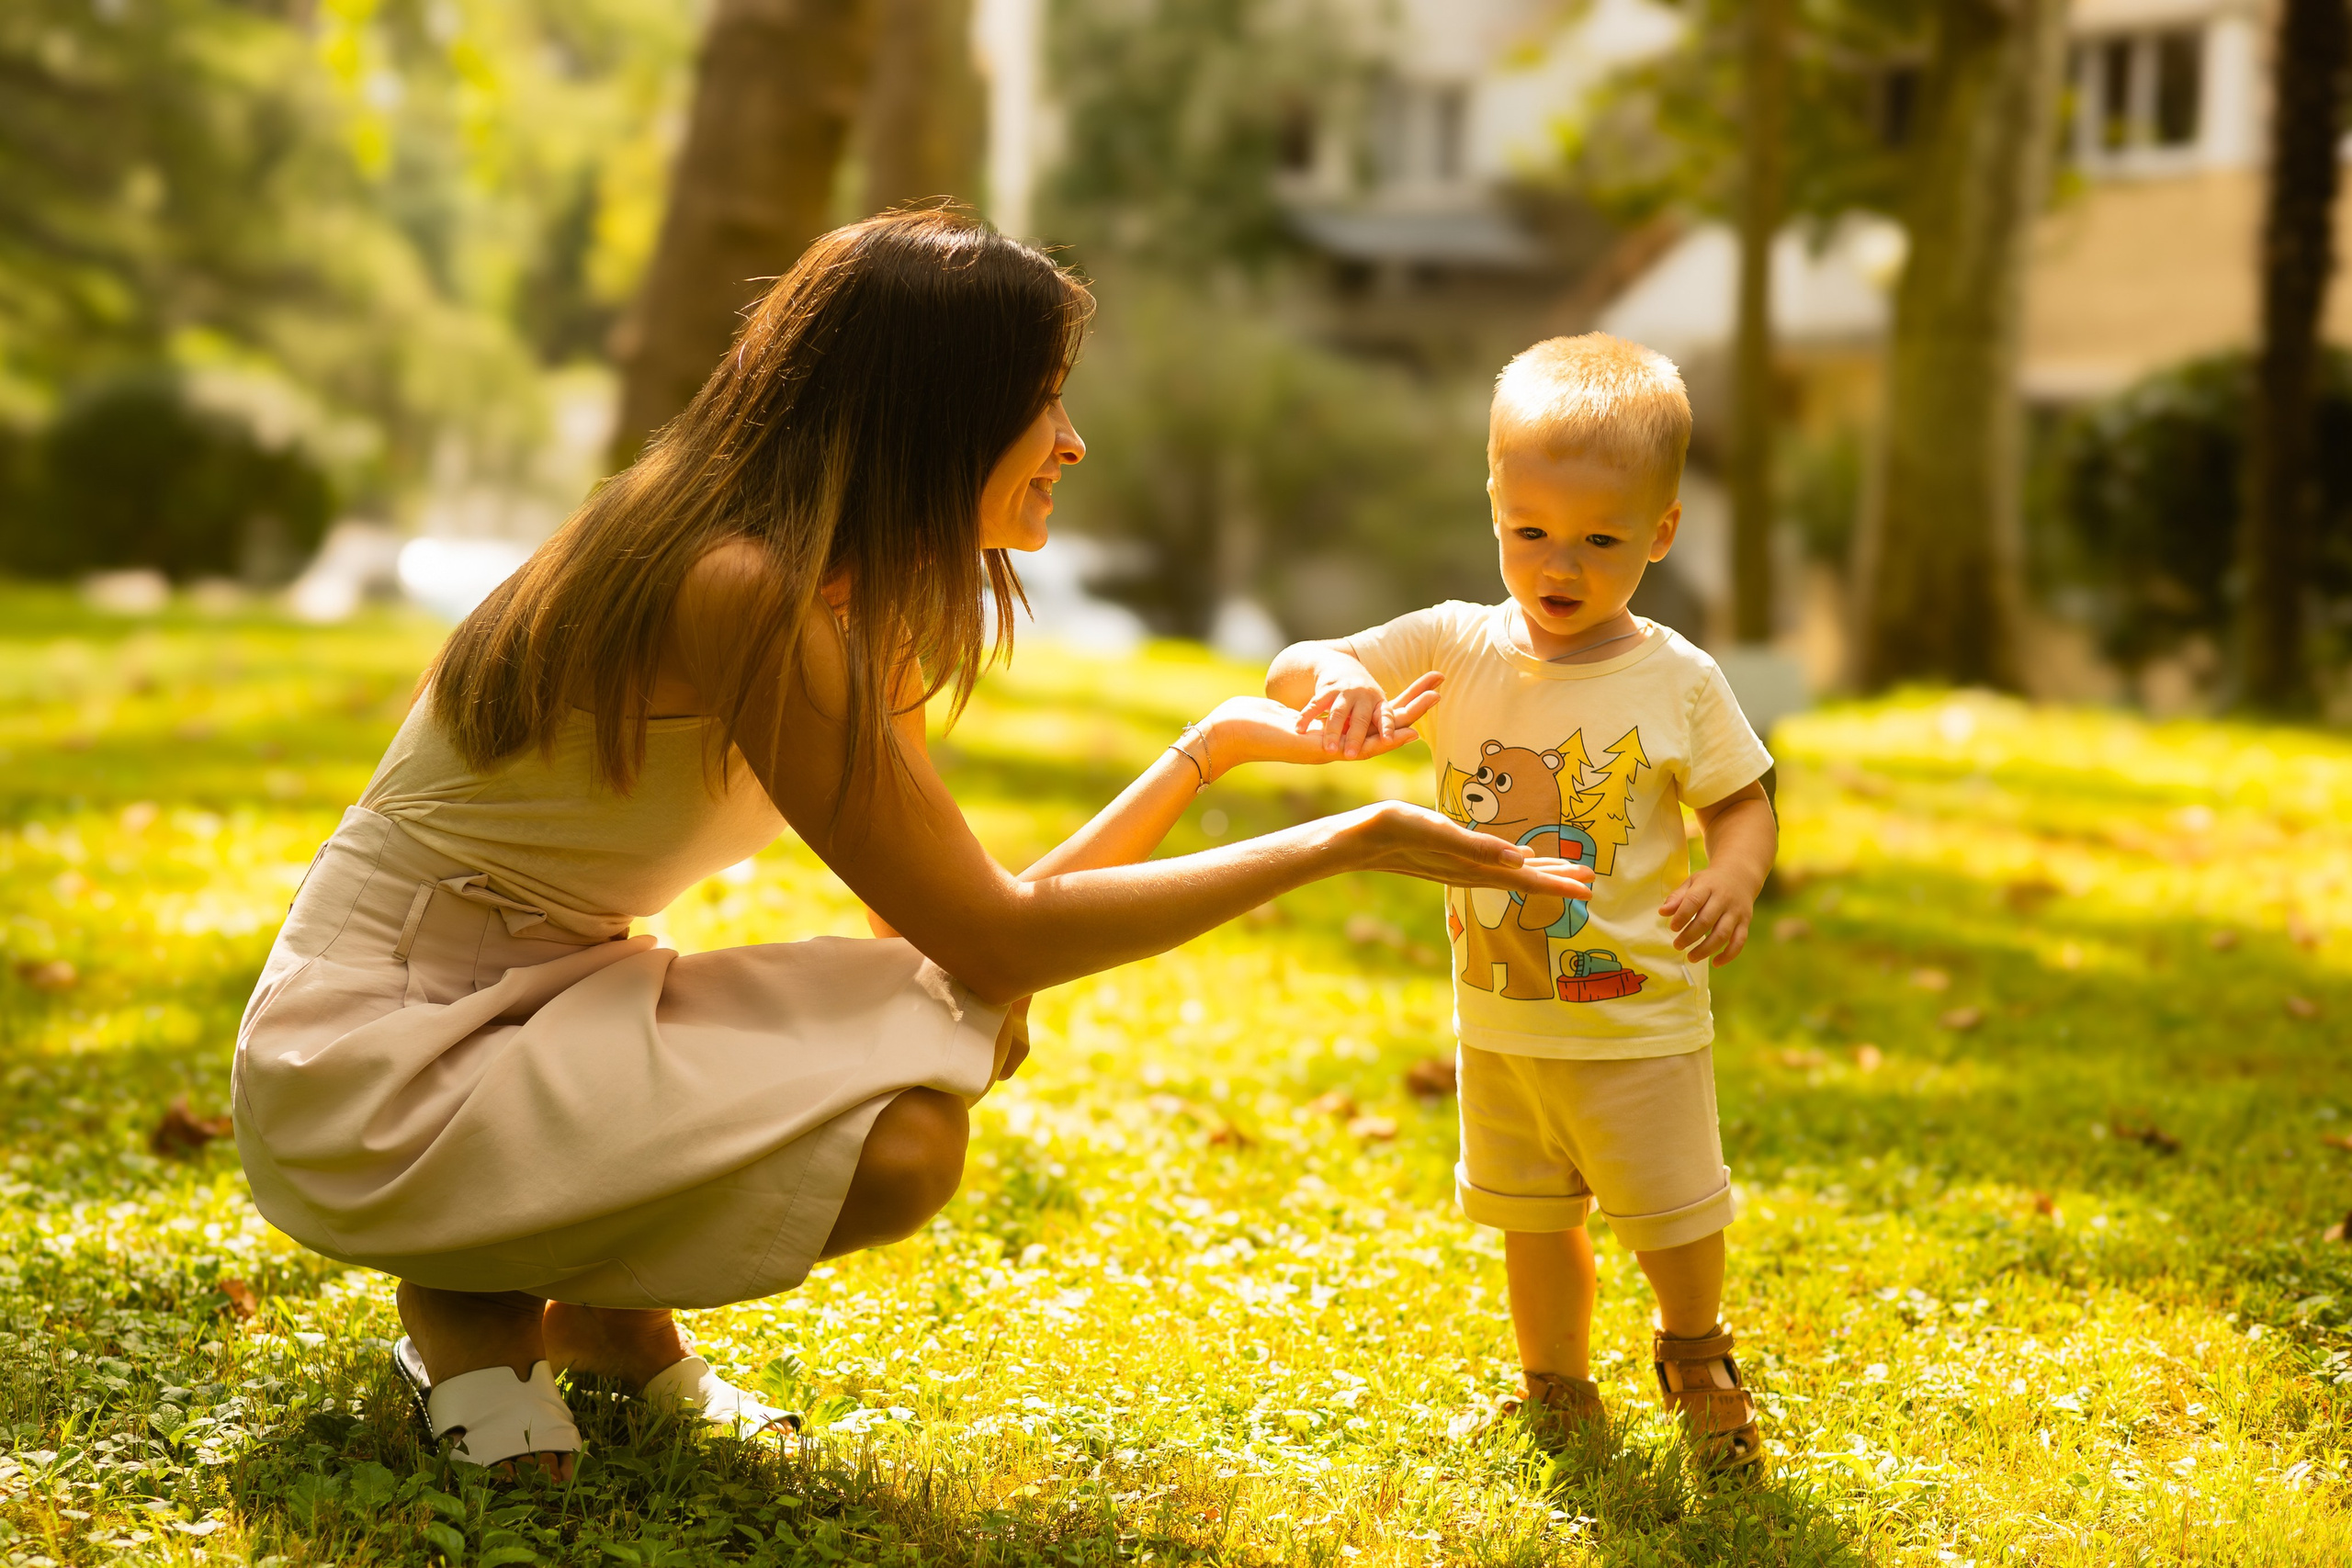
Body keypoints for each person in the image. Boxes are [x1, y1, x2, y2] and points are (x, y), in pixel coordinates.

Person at [230, 209, 1588, 1479]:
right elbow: (992, 935)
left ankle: (602, 1312)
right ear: (936, 413)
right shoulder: (734, 583)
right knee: (932, 1074)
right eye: (1043, 400)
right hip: (389, 1041)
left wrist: (1211, 750)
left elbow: (952, 933)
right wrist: (1342, 841)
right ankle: (465, 1294)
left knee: (928, 1087)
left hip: (568, 989)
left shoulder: (852, 600)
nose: (1072, 443)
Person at [1264, 333, 1777, 1473]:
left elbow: (1744, 803)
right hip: (1500, 1018)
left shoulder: (1678, 679)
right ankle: (1554, 1384)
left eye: (1600, 540)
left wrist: (1733, 874)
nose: (1560, 566)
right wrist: (1338, 679)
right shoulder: (1454, 643)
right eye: (1529, 531)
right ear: (1493, 503)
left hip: (1636, 1019)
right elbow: (1297, 660)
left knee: (1674, 1212)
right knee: (1530, 1218)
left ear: (1661, 532)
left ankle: (1694, 1349)